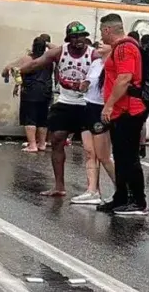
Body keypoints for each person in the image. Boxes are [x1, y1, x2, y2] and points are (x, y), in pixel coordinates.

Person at [19, 21, 97, 197]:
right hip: (65, 103)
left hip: (87, 104)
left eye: (82, 36)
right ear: (69, 39)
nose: (79, 40)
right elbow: (36, 63)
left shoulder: (94, 54)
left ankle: (93, 189)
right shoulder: (60, 51)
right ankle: (59, 186)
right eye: (75, 37)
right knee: (57, 140)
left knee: (90, 149)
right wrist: (18, 70)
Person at [97, 14, 147, 215]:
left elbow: (124, 79)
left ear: (108, 30)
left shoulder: (124, 48)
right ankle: (121, 197)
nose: (101, 35)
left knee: (129, 157)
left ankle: (138, 201)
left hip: (128, 110)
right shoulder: (122, 47)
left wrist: (108, 106)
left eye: (102, 31)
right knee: (120, 155)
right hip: (122, 111)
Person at [71, 41, 116, 204]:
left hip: (101, 109)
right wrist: (82, 85)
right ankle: (92, 191)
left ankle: (123, 189)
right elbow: (88, 84)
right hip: (88, 106)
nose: (100, 44)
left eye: (104, 43)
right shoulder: (96, 63)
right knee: (89, 152)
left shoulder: (113, 65)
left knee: (104, 156)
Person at [2, 37, 52, 152]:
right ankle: (42, 144)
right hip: (45, 91)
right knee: (42, 119)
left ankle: (32, 145)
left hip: (30, 91)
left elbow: (14, 70)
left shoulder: (27, 59)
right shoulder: (49, 60)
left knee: (30, 118)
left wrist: (16, 83)